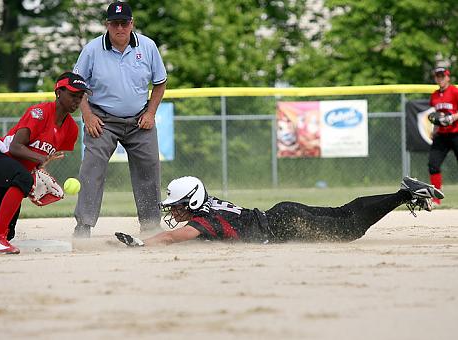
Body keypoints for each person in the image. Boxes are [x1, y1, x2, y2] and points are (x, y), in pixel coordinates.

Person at [0, 72, 91, 254]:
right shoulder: (40, 113)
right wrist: (35, 167)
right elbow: (16, 147)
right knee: (23, 179)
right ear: (58, 93)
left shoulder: (70, 129)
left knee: (8, 230)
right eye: (72, 95)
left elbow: (39, 158)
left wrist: (36, 172)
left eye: (80, 96)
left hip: (12, 172)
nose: (77, 100)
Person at [114, 176, 444, 247]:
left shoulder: (206, 220)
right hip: (283, 216)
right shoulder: (209, 206)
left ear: (194, 202)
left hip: (285, 224)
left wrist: (142, 244)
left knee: (349, 229)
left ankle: (405, 194)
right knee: (345, 215)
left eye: (178, 205)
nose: (175, 210)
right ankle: (404, 192)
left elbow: (174, 236)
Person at [72, 1, 167, 238]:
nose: (120, 28)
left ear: (131, 23)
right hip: (102, 121)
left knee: (149, 169)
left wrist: (151, 113)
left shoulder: (147, 46)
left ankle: (151, 226)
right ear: (107, 25)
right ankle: (83, 226)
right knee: (91, 168)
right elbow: (76, 86)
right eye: (115, 23)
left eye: (124, 22)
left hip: (139, 121)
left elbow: (160, 82)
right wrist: (88, 115)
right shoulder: (92, 49)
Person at [428, 66, 458, 205]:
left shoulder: (454, 91)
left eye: (442, 76)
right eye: (437, 76)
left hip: (456, 133)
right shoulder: (434, 95)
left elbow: (451, 116)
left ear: (448, 77)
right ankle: (436, 199)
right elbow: (437, 116)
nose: (440, 78)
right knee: (433, 165)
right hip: (442, 135)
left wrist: (453, 118)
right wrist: (434, 130)